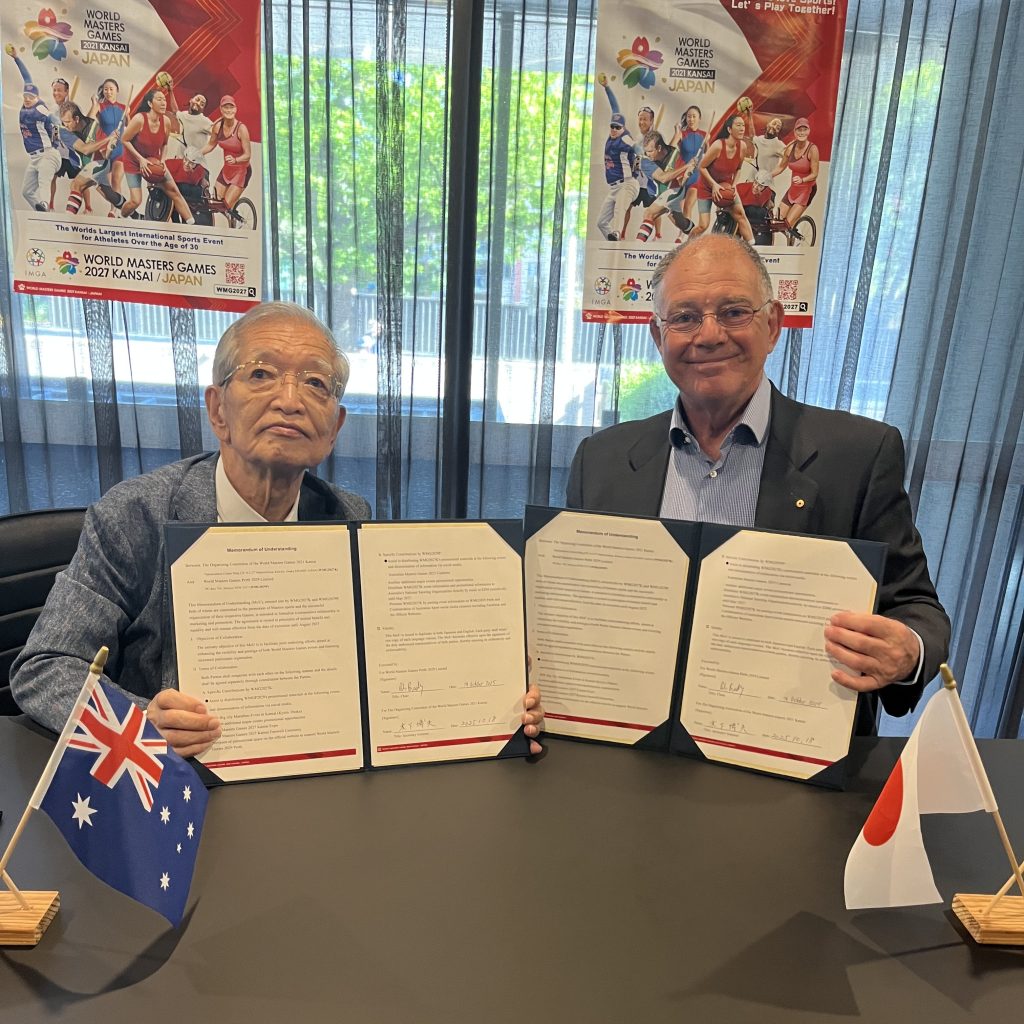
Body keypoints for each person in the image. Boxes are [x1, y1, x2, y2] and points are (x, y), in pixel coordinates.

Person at [11, 302, 545, 757]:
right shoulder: (136, 515)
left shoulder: (350, 516)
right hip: (183, 786)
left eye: (315, 383)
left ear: (334, 428)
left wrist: (493, 701)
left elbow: (392, 660)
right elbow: (45, 666)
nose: (289, 400)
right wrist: (141, 722)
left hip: (311, 772)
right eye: (261, 374)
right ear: (217, 410)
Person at [565, 235, 949, 735]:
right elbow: (573, 610)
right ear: (659, 337)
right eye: (684, 317)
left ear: (772, 325)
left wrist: (907, 651)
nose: (708, 335)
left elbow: (917, 609)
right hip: (630, 739)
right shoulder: (601, 461)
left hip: (791, 747)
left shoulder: (859, 455)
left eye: (733, 312)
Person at [119, 85, 195, 222]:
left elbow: (165, 144)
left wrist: (163, 161)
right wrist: (140, 159)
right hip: (133, 161)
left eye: (164, 100)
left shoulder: (166, 122)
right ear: (150, 103)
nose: (163, 102)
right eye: (159, 99)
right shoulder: (139, 119)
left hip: (153, 161)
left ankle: (192, 225)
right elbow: (124, 140)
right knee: (136, 201)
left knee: (175, 191)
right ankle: (120, 218)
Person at [5, 44, 61, 211]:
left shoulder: (40, 108)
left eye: (31, 96)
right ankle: (43, 213)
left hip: (47, 155)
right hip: (34, 157)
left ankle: (44, 204)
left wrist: (56, 141)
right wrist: (16, 58)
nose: (27, 99)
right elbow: (27, 77)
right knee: (27, 192)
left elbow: (55, 122)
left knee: (44, 183)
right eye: (26, 96)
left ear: (37, 97)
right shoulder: (26, 101)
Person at [690, 114, 754, 243]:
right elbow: (702, 167)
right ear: (729, 129)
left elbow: (738, 169)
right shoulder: (718, 146)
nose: (742, 128)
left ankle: (754, 249)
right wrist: (713, 185)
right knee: (703, 225)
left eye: (743, 125)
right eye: (738, 125)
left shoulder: (742, 147)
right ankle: (686, 246)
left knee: (741, 215)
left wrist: (734, 185)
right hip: (707, 187)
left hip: (726, 187)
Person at [201, 94, 252, 226]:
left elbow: (247, 155)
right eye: (225, 107)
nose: (228, 110)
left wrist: (235, 160)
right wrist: (197, 154)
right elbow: (211, 144)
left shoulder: (241, 129)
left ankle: (235, 218)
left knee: (226, 205)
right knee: (215, 203)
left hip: (242, 171)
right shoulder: (218, 126)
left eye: (231, 107)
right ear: (221, 109)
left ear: (235, 109)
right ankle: (230, 216)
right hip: (227, 171)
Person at [595, 95, 640, 242]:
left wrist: (641, 152)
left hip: (627, 184)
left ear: (623, 128)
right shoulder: (611, 136)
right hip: (614, 187)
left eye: (618, 127)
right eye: (612, 126)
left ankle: (617, 233)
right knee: (601, 222)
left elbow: (637, 149)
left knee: (619, 208)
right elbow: (615, 107)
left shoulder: (625, 138)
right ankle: (614, 242)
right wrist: (607, 87)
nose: (614, 129)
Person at [86, 78, 128, 215]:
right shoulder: (99, 106)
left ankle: (113, 211)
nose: (108, 92)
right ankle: (120, 205)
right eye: (106, 89)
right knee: (101, 185)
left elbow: (132, 128)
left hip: (120, 149)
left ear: (117, 90)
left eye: (111, 89)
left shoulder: (125, 108)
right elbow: (88, 121)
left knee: (116, 179)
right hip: (104, 149)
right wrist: (94, 104)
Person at [774, 117, 819, 241]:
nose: (802, 132)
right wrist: (767, 176)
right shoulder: (790, 148)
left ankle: (795, 235)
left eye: (804, 130)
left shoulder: (812, 149)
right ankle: (790, 234)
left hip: (807, 190)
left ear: (808, 131)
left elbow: (815, 174)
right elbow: (781, 167)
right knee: (777, 222)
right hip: (793, 189)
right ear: (795, 131)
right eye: (799, 130)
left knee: (787, 223)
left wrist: (803, 180)